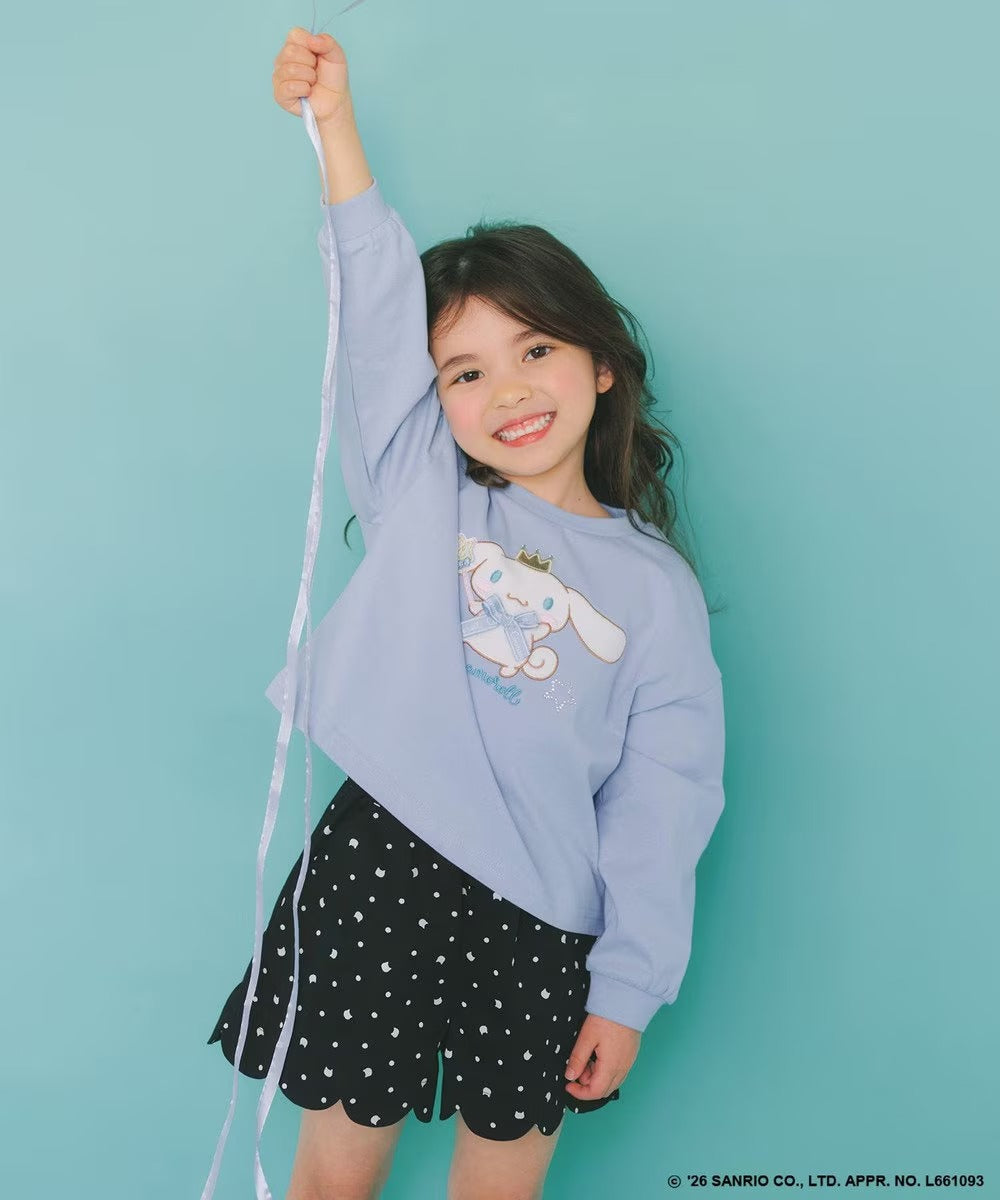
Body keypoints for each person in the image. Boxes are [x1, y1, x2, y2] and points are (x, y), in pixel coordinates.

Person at [206, 25, 727, 1200]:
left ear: (601, 364)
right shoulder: (421, 493)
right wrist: (335, 126)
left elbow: (665, 801)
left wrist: (627, 991)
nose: (509, 390)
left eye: (536, 348)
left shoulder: (656, 590)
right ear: (434, 401)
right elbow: (374, 307)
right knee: (332, 1180)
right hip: (381, 872)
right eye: (467, 371)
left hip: (543, 919)